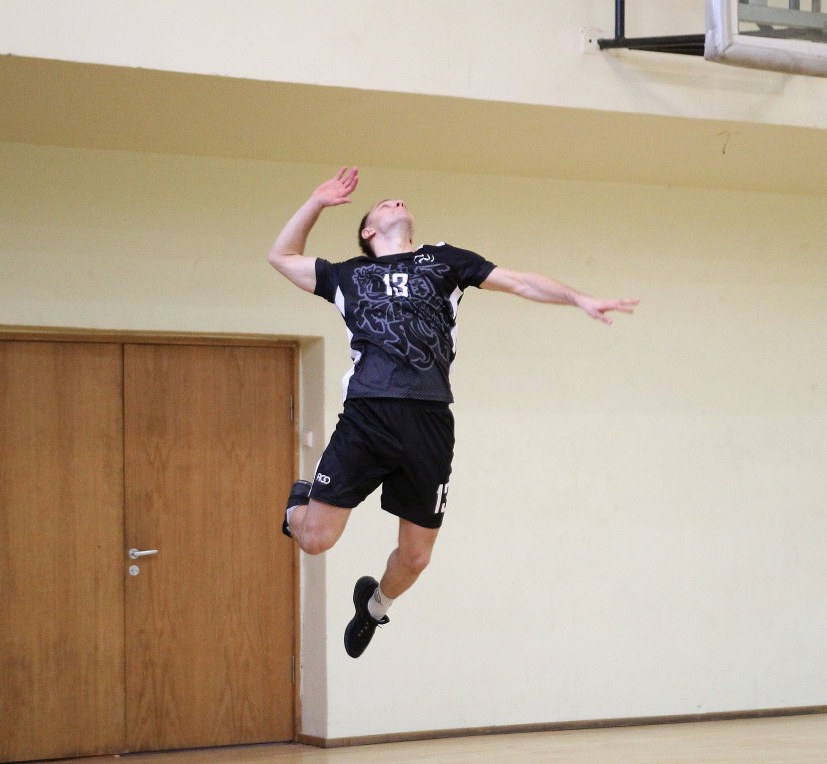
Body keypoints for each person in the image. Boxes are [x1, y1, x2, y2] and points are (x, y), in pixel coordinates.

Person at [268, 166, 638, 658]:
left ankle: (373, 608)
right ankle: (301, 499)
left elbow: (521, 282)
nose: (395, 200)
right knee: (315, 540)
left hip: (430, 421)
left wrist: (578, 298)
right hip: (368, 416)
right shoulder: (346, 275)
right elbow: (281, 256)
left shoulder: (443, 261)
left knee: (416, 558)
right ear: (368, 231)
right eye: (383, 204)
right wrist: (316, 202)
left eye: (399, 200)